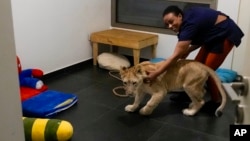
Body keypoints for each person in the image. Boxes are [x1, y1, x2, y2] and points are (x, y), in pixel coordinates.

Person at [146, 5, 244, 112]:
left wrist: (156, 73)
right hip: (212, 34)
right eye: (167, 24)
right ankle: (188, 94)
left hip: (225, 32)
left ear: (179, 16)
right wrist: (187, 51)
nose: (169, 26)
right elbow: (200, 36)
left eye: (171, 21)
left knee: (207, 71)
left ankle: (216, 102)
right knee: (195, 68)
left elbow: (175, 56)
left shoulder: (189, 24)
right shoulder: (186, 21)